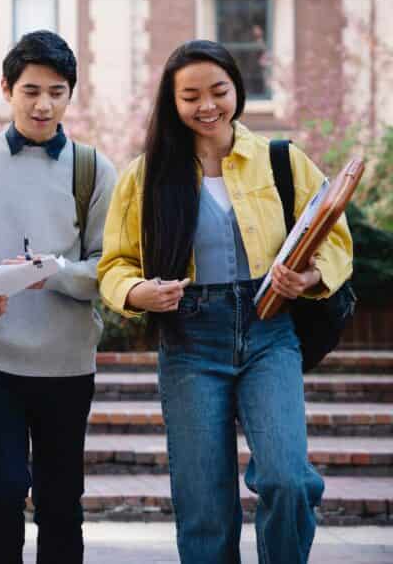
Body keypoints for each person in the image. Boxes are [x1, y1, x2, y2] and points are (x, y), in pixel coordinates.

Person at [97, 39, 353, 563]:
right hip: (189, 338)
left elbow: (336, 238)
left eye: (219, 91)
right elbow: (114, 264)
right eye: (190, 96)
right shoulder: (145, 176)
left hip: (269, 331)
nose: (207, 105)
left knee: (286, 478)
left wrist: (307, 279)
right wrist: (137, 291)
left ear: (237, 87)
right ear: (172, 103)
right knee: (205, 508)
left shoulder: (281, 160)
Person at [0, 30, 117, 564]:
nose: (43, 103)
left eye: (56, 91)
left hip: (67, 364)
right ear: (7, 89)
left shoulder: (93, 169)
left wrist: (51, 273)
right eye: (31, 90)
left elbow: (112, 266)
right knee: (3, 491)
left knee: (60, 502)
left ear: (70, 95)